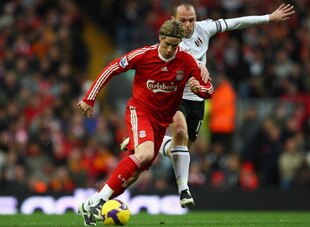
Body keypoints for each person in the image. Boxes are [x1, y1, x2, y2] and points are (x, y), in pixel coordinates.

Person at [122, 2, 295, 208]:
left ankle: (155, 143)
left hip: (198, 99)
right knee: (180, 132)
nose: (188, 25)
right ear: (172, 20)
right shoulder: (169, 42)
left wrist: (268, 17)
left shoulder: (204, 28)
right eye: (183, 20)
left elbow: (235, 23)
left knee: (181, 149)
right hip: (174, 97)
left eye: (192, 20)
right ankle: (183, 189)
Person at [77, 19, 213, 226]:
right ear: (160, 38)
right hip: (139, 111)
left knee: (133, 175)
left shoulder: (186, 61)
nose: (169, 49)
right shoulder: (143, 55)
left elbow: (208, 89)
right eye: (166, 44)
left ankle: (90, 204)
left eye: (175, 46)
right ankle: (98, 201)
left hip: (161, 122)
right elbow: (111, 68)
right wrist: (90, 98)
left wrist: (199, 90)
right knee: (146, 153)